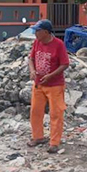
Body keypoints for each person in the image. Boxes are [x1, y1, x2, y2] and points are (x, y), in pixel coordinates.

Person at [28, 19, 69, 154]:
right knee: (35, 111)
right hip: (39, 84)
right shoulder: (37, 42)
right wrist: (32, 71)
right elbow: (31, 59)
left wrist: (51, 75)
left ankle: (54, 142)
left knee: (56, 114)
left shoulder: (58, 45)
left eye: (37, 31)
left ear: (46, 32)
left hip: (55, 85)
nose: (35, 33)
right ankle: (37, 137)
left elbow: (64, 64)